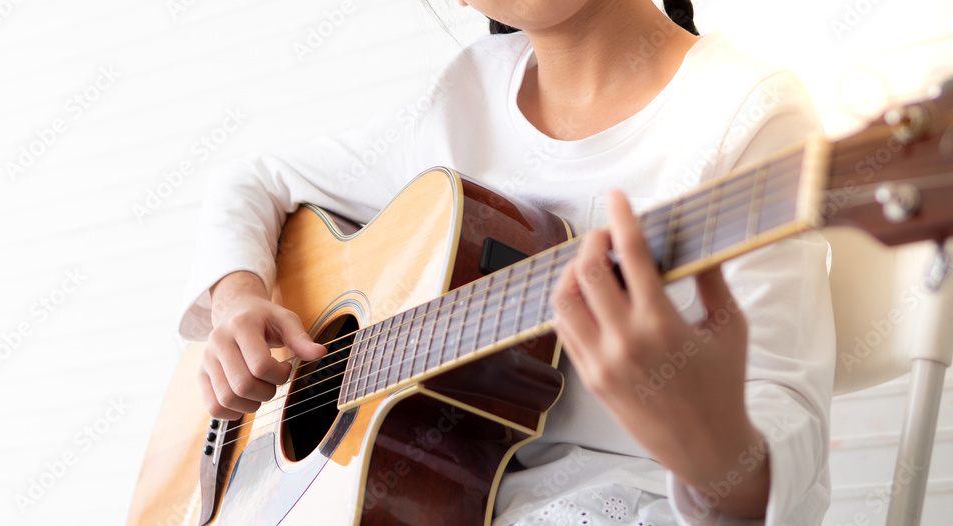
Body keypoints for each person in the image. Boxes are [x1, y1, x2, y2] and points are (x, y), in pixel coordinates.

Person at [177, 0, 836, 524]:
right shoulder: (469, 91)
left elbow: (788, 444)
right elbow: (252, 180)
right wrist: (237, 299)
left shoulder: (744, 110)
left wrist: (710, 439)